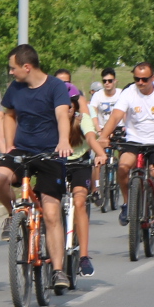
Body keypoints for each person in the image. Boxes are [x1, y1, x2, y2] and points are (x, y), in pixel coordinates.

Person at [0, 45, 74, 288]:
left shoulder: (55, 87)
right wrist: (8, 146)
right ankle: (15, 214)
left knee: (50, 212)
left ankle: (58, 271)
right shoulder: (15, 88)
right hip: (22, 150)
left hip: (50, 152)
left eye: (13, 68)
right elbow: (10, 115)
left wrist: (64, 141)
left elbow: (61, 115)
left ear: (27, 67)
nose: (11, 73)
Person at [101, 61, 154, 239]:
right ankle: (127, 203)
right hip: (134, 140)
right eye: (137, 79)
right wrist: (103, 136)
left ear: (153, 77)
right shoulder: (129, 92)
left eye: (144, 79)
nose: (140, 83)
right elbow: (116, 116)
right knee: (122, 167)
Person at [64, 80, 97, 278]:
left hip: (79, 165)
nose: (64, 109)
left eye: (68, 105)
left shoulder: (82, 119)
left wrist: (100, 153)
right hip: (55, 165)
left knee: (79, 201)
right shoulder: (49, 120)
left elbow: (92, 139)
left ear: (75, 106)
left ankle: (84, 256)